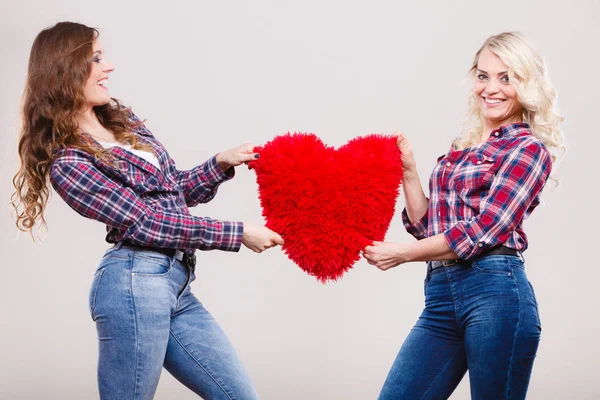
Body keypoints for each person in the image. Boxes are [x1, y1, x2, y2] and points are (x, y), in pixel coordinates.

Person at [11, 21, 284, 400]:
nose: (109, 67)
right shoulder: (69, 163)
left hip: (176, 285)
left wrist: (221, 163)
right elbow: (146, 221)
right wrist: (238, 234)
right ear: (65, 70)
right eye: (97, 58)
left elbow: (173, 194)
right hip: (133, 286)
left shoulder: (124, 123)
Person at [362, 32, 564, 399]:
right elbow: (428, 228)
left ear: (527, 85)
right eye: (484, 75)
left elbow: (486, 229)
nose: (492, 88)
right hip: (440, 297)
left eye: (507, 78)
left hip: (495, 293)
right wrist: (408, 171)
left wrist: (401, 255)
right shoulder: (462, 150)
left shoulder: (529, 150)